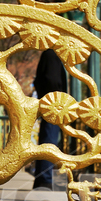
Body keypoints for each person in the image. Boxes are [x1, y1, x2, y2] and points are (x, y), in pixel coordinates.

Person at [32, 49, 68, 189]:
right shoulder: (52, 54)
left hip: (51, 104)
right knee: (49, 141)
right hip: (54, 106)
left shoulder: (50, 54)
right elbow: (51, 79)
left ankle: (43, 177)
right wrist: (57, 97)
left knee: (47, 139)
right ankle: (45, 178)